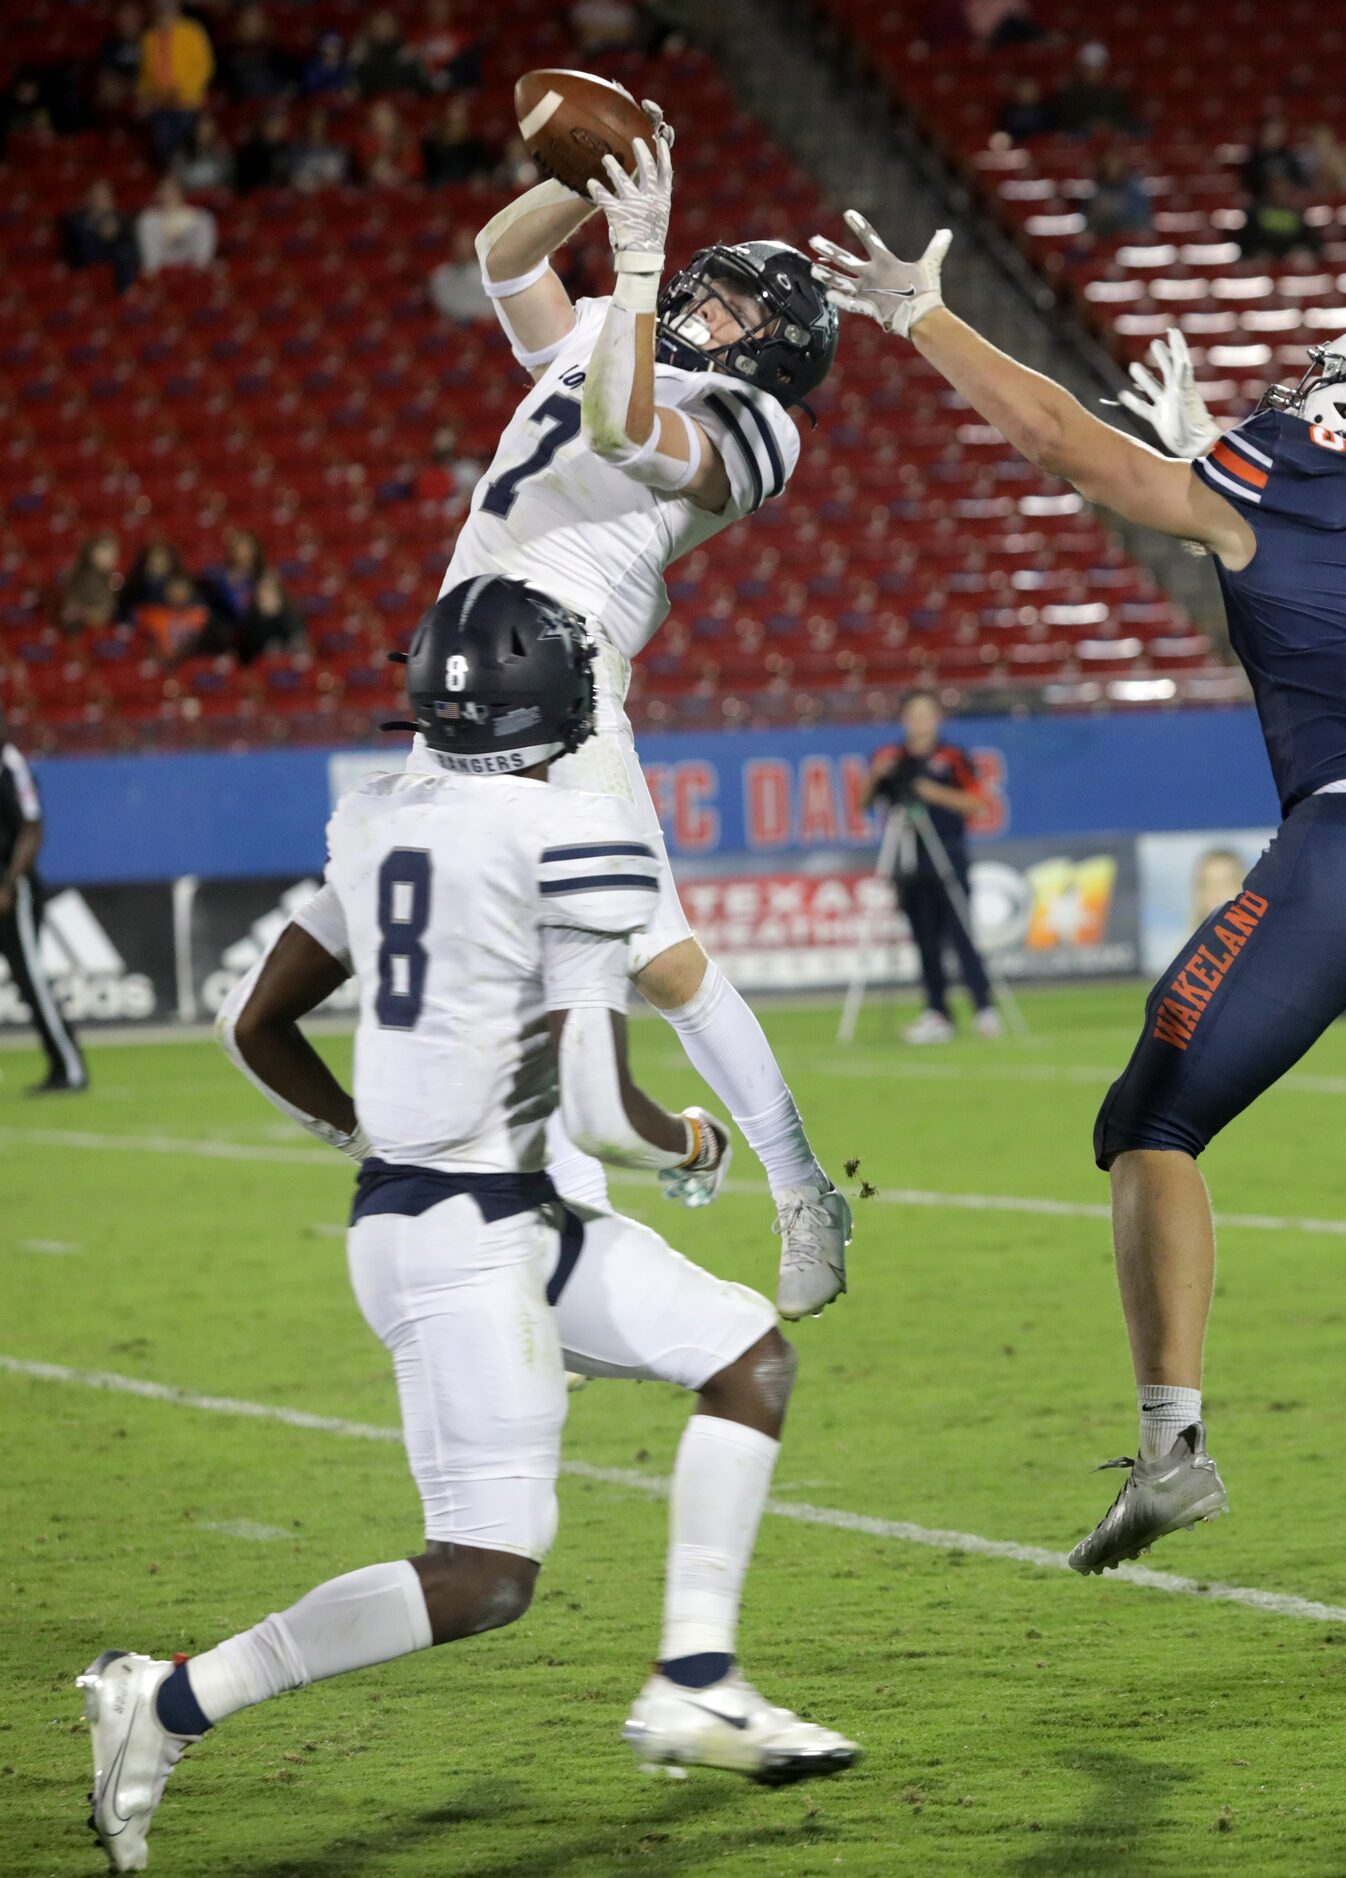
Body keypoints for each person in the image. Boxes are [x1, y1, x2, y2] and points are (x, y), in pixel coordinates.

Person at [813, 215, 1346, 1570]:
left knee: (1150, 1119)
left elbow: (1065, 447)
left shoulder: (1287, 474)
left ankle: (1169, 1448)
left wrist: (920, 318)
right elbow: (1318, 579)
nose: (1307, 380)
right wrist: (1208, 465)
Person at [78, 583, 858, 1873]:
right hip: (465, 1238)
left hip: (483, 1216)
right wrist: (694, 1142)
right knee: (486, 1574)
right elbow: (604, 1105)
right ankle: (161, 1702)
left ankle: (697, 1679)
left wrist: (366, 1136)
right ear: (554, 702)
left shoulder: (379, 822)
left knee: (744, 1356)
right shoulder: (573, 830)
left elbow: (251, 1026)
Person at [435, 109, 852, 1317]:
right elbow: (504, 261)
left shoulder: (758, 425)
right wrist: (589, 175)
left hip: (564, 682)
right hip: (462, 682)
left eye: (732, 308)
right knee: (483, 972)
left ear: (774, 356)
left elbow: (622, 423)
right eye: (703, 287)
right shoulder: (610, 342)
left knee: (662, 963)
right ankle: (561, 1208)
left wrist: (635, 254)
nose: (700, 308)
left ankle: (796, 1187)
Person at [867, 690, 999, 1043]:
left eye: (927, 713)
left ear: (936, 717)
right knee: (924, 939)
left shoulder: (953, 756)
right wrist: (877, 776)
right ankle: (937, 1011)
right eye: (914, 714)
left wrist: (930, 792)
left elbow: (978, 804)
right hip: (908, 854)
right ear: (904, 719)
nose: (920, 721)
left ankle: (984, 1008)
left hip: (947, 851)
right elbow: (866, 802)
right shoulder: (890, 757)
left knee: (962, 933)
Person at [0, 719, 89, 1095]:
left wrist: (10, 882)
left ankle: (69, 1068)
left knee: (31, 979)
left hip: (12, 892)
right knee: (27, 981)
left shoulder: (10, 765)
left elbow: (32, 827)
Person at [136, 0, 214, 159]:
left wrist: (182, 89)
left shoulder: (192, 31)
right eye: (161, 8)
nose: (165, 11)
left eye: (169, 7)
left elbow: (205, 67)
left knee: (186, 150)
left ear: (177, 8)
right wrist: (144, 95)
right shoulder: (149, 37)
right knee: (162, 150)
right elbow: (144, 75)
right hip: (160, 103)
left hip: (188, 103)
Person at [60, 181, 138, 293]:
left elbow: (131, 244)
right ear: (90, 198)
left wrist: (114, 232)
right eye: (98, 195)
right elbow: (72, 249)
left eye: (105, 196)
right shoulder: (77, 221)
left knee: (125, 252)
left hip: (114, 257)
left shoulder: (123, 219)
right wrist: (95, 228)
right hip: (88, 260)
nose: (102, 199)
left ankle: (126, 291)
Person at [136, 176, 217, 274]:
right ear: (158, 193)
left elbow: (203, 257)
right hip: (162, 275)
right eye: (164, 189)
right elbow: (151, 259)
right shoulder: (148, 220)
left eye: (173, 189)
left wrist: (197, 273)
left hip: (194, 275)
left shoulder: (201, 218)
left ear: (181, 191)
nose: (169, 194)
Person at [58, 531, 123, 634]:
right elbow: (97, 615)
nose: (111, 555)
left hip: (104, 632)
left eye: (114, 551)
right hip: (83, 635)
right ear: (91, 552)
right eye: (105, 550)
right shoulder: (82, 578)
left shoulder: (111, 577)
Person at [421, 96, 493, 188]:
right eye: (455, 109)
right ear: (447, 113)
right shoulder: (434, 142)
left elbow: (482, 167)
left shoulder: (475, 143)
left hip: (466, 184)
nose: (458, 114)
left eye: (461, 110)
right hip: (441, 185)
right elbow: (429, 169)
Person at [428, 228, 488, 322]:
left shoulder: (488, 273)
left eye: (465, 244)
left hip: (483, 325)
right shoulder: (440, 275)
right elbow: (441, 304)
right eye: (458, 243)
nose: (461, 248)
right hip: (453, 325)